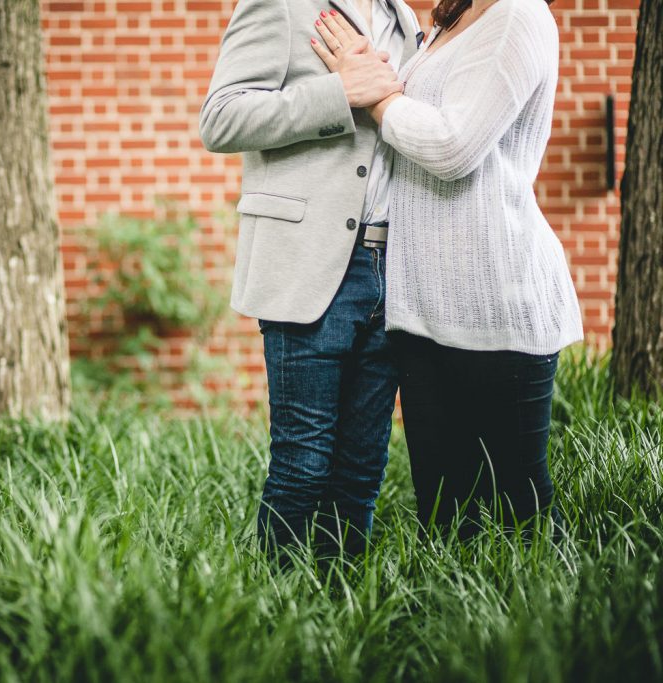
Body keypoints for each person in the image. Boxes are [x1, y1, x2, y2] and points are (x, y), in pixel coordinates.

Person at [312, 0, 583, 539]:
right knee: (444, 517)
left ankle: (534, 625)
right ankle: (448, 623)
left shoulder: (518, 16)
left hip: (497, 303)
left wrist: (377, 97)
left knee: (514, 517)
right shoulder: (448, 20)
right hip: (421, 310)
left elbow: (452, 146)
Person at [199, 0, 423, 560]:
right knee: (302, 467)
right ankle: (277, 623)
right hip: (310, 262)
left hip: (393, 265)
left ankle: (341, 622)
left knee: (361, 473)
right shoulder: (281, 5)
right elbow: (221, 118)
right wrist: (337, 92)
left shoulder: (408, 18)